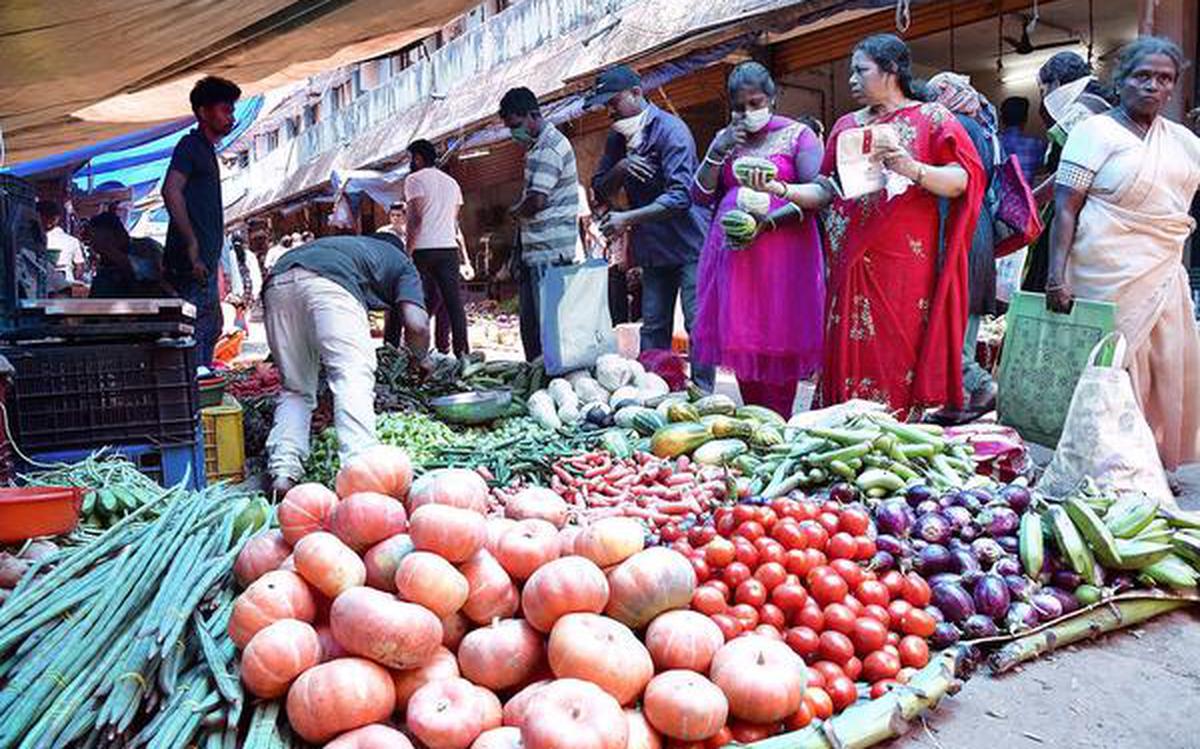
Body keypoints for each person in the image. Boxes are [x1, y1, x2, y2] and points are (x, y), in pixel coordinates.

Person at [749, 34, 985, 415]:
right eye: (851, 73)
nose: (852, 81)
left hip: (904, 266)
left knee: (897, 348)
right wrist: (780, 188)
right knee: (846, 345)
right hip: (850, 260)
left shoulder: (931, 118)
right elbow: (825, 191)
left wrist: (910, 167)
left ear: (891, 70)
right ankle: (843, 437)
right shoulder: (845, 126)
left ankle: (895, 438)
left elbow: (962, 180)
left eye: (861, 71)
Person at [1046, 37, 1200, 474]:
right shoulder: (1093, 132)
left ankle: (1148, 467)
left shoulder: (1186, 143)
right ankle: (1099, 465)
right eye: (1142, 76)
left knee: (1164, 367)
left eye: (1164, 79)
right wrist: (1057, 275)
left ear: (1173, 87)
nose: (1153, 86)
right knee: (1109, 372)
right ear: (1122, 80)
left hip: (1163, 272)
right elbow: (1065, 208)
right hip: (1102, 272)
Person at [691, 62, 825, 416]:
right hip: (736, 256)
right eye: (739, 107)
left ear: (772, 99)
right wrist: (716, 151)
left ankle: (779, 420)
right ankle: (755, 418)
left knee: (780, 335)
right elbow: (700, 195)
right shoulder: (728, 140)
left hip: (784, 253)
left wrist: (769, 219)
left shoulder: (798, 136)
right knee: (743, 338)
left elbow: (818, 193)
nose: (748, 112)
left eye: (756, 103)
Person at [264, 231, 431, 495]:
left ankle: (283, 473)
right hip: (331, 285)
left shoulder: (346, 248)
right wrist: (421, 357)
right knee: (352, 377)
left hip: (277, 282)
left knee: (295, 388)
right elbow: (417, 324)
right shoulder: (402, 263)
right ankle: (361, 472)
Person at [589, 65, 715, 393]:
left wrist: (626, 219)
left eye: (613, 101)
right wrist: (621, 167)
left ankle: (703, 393)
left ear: (636, 93)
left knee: (696, 323)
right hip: (653, 247)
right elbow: (600, 187)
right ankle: (654, 390)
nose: (610, 110)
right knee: (654, 325)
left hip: (689, 242)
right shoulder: (618, 138)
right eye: (606, 105)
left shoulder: (671, 131)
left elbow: (680, 197)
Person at [928, 72, 1000, 419]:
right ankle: (957, 398)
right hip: (978, 225)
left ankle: (979, 385)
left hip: (961, 224)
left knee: (953, 319)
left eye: (936, 93)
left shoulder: (958, 127)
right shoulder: (983, 127)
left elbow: (954, 185)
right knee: (963, 319)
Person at [162, 76, 240, 367]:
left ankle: (201, 399)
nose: (231, 117)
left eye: (232, 111)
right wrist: (192, 244)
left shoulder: (206, 151)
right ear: (203, 111)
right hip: (189, 266)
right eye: (225, 110)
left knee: (211, 330)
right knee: (195, 338)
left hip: (202, 267)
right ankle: (194, 402)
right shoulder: (190, 145)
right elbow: (170, 190)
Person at [498, 87, 580, 361]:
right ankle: (539, 374)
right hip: (537, 250)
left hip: (550, 252)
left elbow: (537, 201)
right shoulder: (536, 147)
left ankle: (552, 376)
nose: (514, 133)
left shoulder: (549, 147)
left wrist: (514, 212)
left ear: (534, 115)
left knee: (548, 327)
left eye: (517, 126)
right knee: (532, 326)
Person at [1023, 52, 1114, 292]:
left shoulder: (1080, 111)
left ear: (1056, 83)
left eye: (1043, 89)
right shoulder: (1104, 104)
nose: (1044, 97)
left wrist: (1029, 199)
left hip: (1075, 214)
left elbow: (1067, 173)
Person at [405, 139, 471, 356]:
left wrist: (408, 252)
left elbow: (415, 220)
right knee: (454, 305)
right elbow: (452, 221)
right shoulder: (452, 183)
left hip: (423, 250)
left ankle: (417, 354)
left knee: (418, 303)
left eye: (411, 158)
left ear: (418, 158)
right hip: (448, 249)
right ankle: (463, 354)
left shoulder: (414, 180)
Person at [86, 212, 175, 299]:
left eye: (105, 240)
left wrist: (111, 251)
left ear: (120, 233)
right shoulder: (104, 264)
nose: (95, 246)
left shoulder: (146, 246)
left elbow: (154, 273)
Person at [36, 200, 85, 291]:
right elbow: (79, 266)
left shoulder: (32, 238)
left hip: (41, 284)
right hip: (65, 284)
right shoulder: (73, 241)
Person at [998, 97, 1045, 185]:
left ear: (1001, 118)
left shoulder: (992, 144)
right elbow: (1042, 172)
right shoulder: (1037, 145)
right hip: (1027, 196)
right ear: (1025, 118)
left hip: (998, 198)